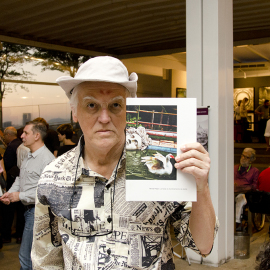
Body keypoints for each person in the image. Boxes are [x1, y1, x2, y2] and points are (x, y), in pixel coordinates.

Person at [31, 56, 218, 270]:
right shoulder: (53, 176)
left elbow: (203, 245)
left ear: (130, 110)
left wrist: (201, 187)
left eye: (115, 105)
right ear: (75, 112)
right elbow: (46, 261)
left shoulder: (160, 163)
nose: (104, 117)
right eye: (91, 105)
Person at [0, 121, 55, 270]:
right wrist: (10, 193)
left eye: (26, 133)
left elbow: (47, 191)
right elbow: (20, 178)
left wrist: (20, 196)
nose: (22, 136)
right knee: (29, 256)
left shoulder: (47, 160)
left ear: (37, 136)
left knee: (26, 257)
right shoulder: (28, 155)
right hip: (29, 212)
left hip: (38, 213)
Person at [1, 126, 24, 244]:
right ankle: (19, 235)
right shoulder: (22, 145)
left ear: (8, 135)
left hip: (12, 181)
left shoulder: (10, 147)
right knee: (20, 210)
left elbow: (5, 166)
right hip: (22, 181)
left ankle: (6, 235)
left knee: (8, 210)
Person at [234, 148, 260, 225]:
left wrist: (241, 187)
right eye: (243, 156)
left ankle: (237, 222)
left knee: (240, 199)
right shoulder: (234, 168)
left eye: (247, 157)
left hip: (245, 193)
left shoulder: (255, 171)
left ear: (251, 160)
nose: (243, 158)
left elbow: (254, 186)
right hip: (232, 192)